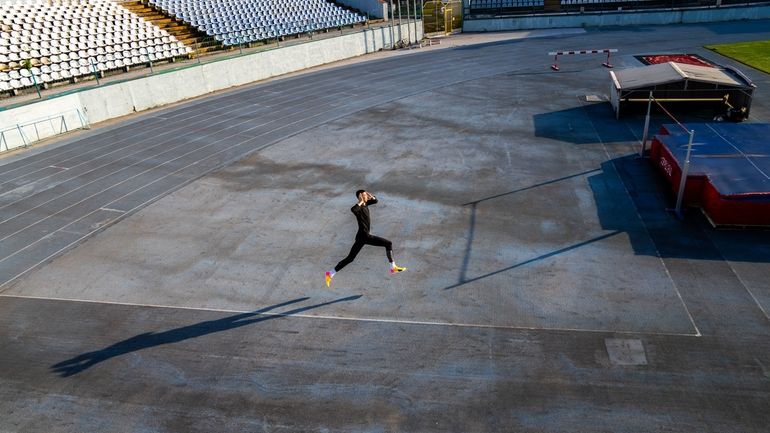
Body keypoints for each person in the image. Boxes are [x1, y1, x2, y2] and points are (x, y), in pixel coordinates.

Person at [326, 190, 406, 287]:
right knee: (388, 243)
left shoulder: (366, 205)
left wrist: (368, 194)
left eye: (366, 195)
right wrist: (360, 201)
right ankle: (393, 267)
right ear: (360, 197)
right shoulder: (358, 208)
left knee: (350, 258)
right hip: (365, 236)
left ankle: (330, 273)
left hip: (361, 237)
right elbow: (353, 210)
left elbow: (375, 200)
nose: (366, 196)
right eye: (364, 195)